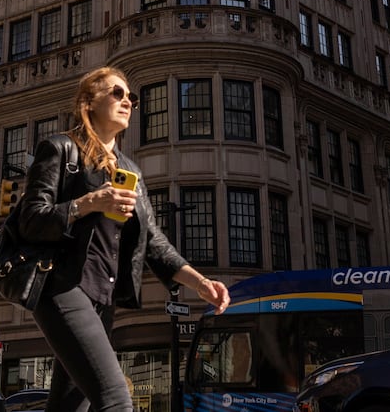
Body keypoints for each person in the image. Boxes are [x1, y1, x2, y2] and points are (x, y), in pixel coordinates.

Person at [16, 66, 231, 412]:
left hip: (104, 299)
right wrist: (88, 203)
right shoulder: (60, 150)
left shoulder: (129, 170)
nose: (127, 101)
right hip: (63, 286)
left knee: (71, 406)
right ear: (89, 103)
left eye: (131, 97)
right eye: (116, 93)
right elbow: (30, 220)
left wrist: (200, 282)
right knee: (116, 399)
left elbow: (154, 242)